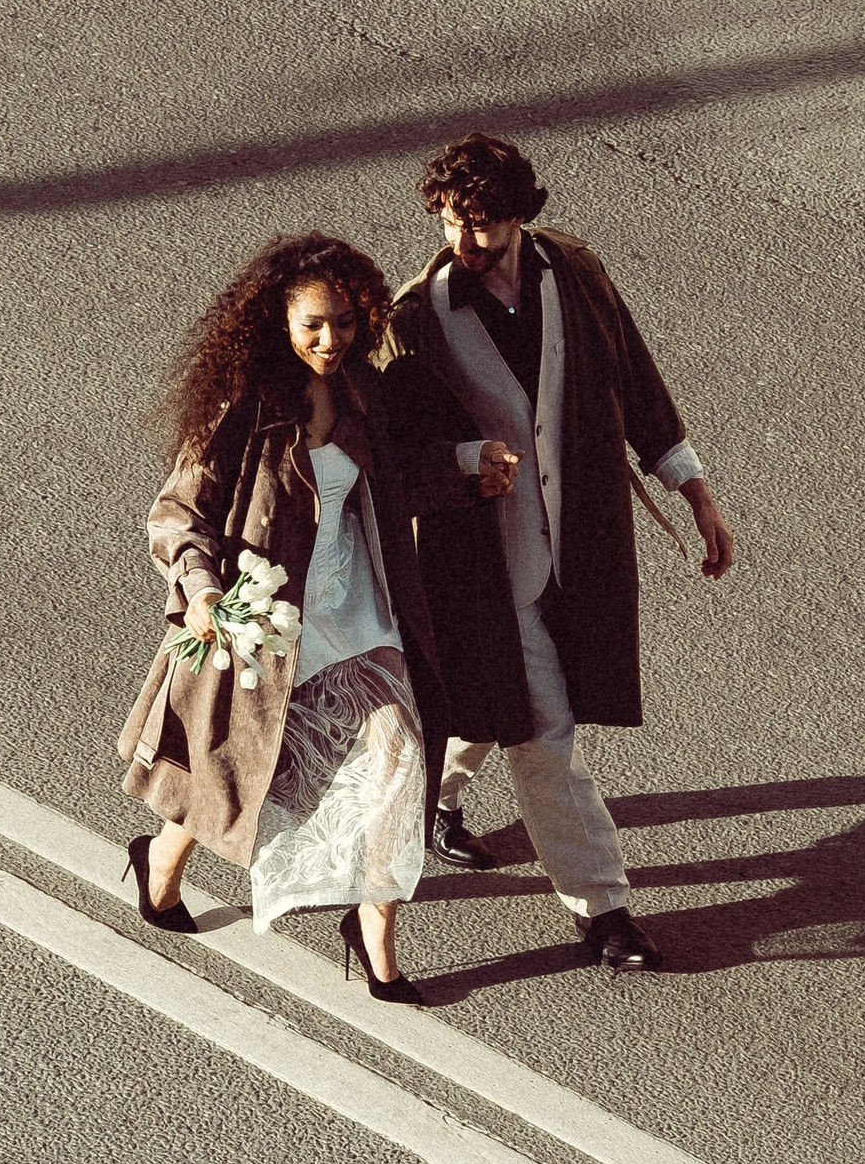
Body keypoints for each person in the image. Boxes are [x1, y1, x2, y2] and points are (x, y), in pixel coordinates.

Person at [118, 233, 515, 999]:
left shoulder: (363, 393)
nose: (330, 341)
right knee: (241, 774)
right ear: (280, 325)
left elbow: (394, 482)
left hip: (360, 612)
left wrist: (468, 467)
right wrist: (202, 591)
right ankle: (160, 862)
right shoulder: (247, 404)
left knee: (399, 763)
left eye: (342, 323)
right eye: (312, 327)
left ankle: (374, 940)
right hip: (269, 627)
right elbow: (177, 513)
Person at [380, 132, 733, 971]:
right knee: (544, 730)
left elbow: (635, 380)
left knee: (491, 698)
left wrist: (694, 489)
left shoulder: (575, 271)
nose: (465, 242)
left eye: (483, 224)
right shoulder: (414, 318)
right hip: (481, 565)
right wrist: (466, 463)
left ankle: (443, 803)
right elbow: (398, 456)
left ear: (520, 215)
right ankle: (603, 909)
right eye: (451, 223)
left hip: (582, 546)